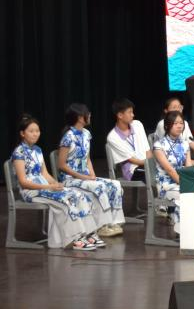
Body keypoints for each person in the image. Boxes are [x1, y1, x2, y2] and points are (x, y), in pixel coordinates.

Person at [11, 114, 104, 251]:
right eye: (31, 131)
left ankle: (88, 233)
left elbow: (44, 174)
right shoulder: (19, 152)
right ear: (22, 133)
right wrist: (48, 187)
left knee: (78, 195)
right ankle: (75, 237)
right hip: (31, 191)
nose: (35, 134)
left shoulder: (37, 150)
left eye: (37, 131)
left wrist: (56, 183)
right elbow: (24, 182)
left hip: (45, 187)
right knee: (67, 199)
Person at [57, 104, 125, 237]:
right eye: (87, 113)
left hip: (85, 177)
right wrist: (83, 177)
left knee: (115, 184)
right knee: (99, 187)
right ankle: (102, 225)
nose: (90, 115)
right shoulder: (68, 137)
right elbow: (61, 165)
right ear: (79, 118)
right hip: (70, 179)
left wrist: (92, 174)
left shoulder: (86, 134)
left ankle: (115, 222)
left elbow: (87, 158)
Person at [153, 111, 194, 234]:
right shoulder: (159, 145)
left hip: (181, 180)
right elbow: (169, 170)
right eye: (175, 123)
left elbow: (188, 167)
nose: (179, 126)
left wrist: (192, 182)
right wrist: (186, 184)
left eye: (181, 123)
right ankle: (182, 232)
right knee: (185, 194)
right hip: (166, 184)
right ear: (167, 126)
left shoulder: (185, 144)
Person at [106, 98, 150, 182]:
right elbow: (131, 159)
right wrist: (152, 164)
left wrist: (153, 163)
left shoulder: (137, 124)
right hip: (133, 171)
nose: (133, 115)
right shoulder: (112, 137)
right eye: (130, 112)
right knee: (161, 173)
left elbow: (147, 150)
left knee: (169, 170)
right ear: (120, 115)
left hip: (147, 165)